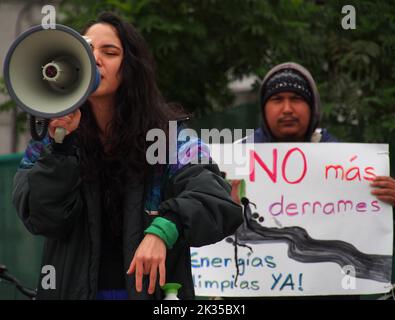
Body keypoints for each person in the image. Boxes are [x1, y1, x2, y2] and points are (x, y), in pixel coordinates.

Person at [12, 12, 242, 300]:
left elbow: (216, 200)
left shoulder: (169, 139)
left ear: (131, 67)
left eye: (109, 52)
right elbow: (43, 218)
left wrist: (164, 229)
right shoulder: (51, 139)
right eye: (86, 50)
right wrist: (60, 148)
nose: (95, 59)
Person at [242, 61, 395, 298]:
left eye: (296, 98)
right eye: (277, 99)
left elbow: (378, 243)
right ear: (264, 109)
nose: (287, 108)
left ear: (313, 106)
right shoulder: (235, 161)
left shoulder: (353, 169)